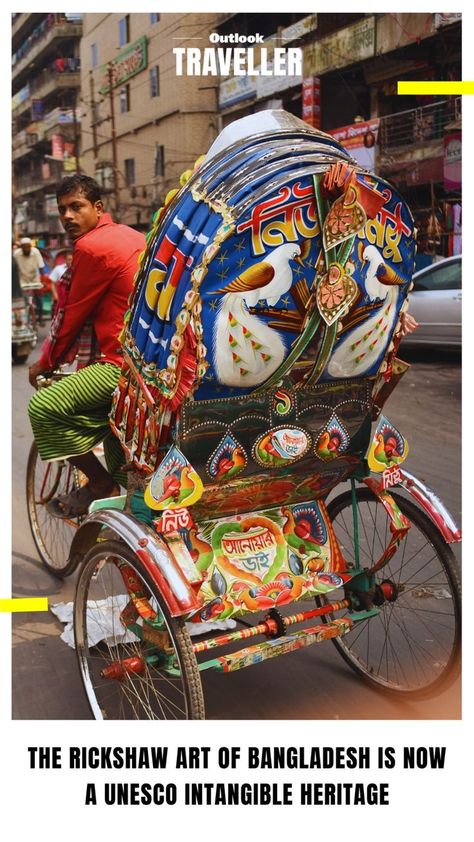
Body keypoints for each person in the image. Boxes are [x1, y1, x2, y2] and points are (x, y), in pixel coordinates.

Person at [28, 174, 146, 517]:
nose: (67, 216)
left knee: (44, 408)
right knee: (114, 446)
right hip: (150, 364)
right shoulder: (133, 236)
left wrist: (44, 363)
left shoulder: (92, 247)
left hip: (119, 365)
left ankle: (97, 484)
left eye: (76, 207)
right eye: (62, 209)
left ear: (98, 208)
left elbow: (71, 316)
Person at [13, 237, 46, 325]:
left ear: (30, 247)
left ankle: (40, 317)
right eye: (24, 247)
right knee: (24, 299)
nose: (26, 249)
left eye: (28, 247)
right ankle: (25, 317)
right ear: (21, 247)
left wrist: (43, 280)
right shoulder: (16, 254)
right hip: (22, 279)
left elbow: (41, 267)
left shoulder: (35, 252)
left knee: (39, 297)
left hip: (34, 278)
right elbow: (13, 268)